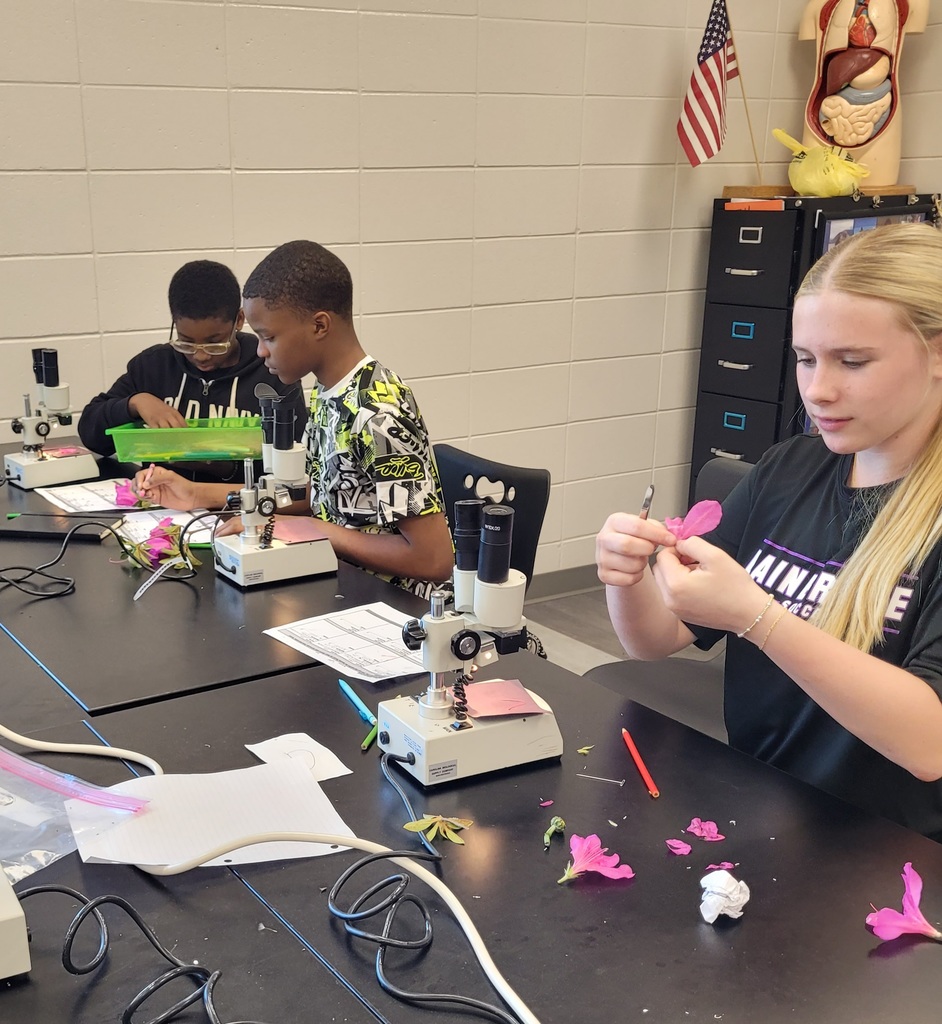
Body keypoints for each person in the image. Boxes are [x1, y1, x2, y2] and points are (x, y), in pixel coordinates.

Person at [596, 222, 942, 840]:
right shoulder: (788, 469)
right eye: (805, 360)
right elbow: (655, 639)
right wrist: (627, 579)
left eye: (853, 361)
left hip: (883, 849)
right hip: (761, 811)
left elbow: (929, 744)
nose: (818, 390)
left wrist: (758, 617)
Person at [134, 241, 454, 597]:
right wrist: (197, 494)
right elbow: (322, 494)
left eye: (269, 337)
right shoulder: (327, 390)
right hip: (340, 584)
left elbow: (433, 560)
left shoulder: (376, 413)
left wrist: (316, 530)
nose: (260, 351)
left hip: (395, 604)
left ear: (319, 326)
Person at [78, 260, 307, 482]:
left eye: (214, 343)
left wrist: (223, 467)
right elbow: (91, 434)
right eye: (186, 342)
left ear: (238, 320)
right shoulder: (153, 366)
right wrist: (135, 403)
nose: (201, 356)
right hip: (161, 503)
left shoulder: (271, 370)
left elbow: (297, 463)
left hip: (241, 503)